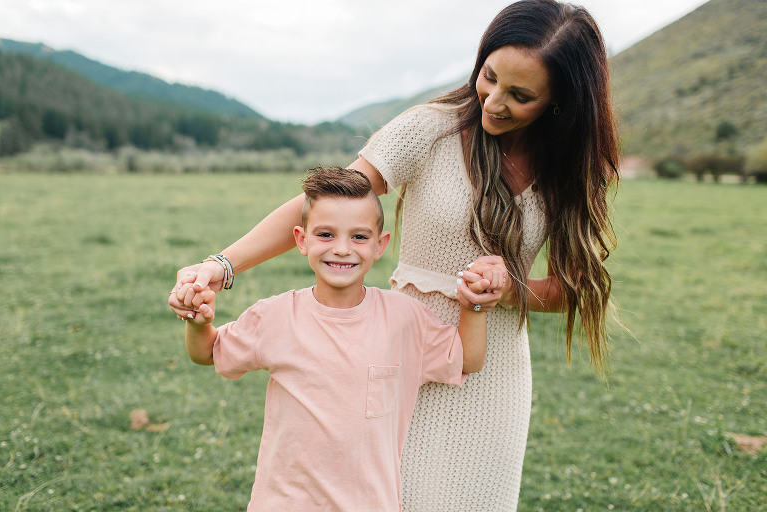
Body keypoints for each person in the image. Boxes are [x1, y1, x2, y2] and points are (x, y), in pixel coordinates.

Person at [169, 1, 620, 509]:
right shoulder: (430, 129)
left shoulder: (570, 169)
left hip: (492, 371)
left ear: (559, 102)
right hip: (392, 355)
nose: (493, 102)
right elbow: (324, 204)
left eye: (520, 95)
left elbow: (571, 290)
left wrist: (505, 289)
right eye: (489, 77)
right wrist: (222, 264)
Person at [178, 166, 494, 511]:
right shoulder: (274, 316)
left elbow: (468, 358)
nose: (342, 249)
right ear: (302, 240)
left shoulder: (405, 319)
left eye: (359, 237)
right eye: (326, 235)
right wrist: (198, 322)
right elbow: (208, 352)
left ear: (380, 245)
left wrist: (473, 305)